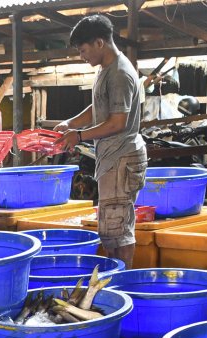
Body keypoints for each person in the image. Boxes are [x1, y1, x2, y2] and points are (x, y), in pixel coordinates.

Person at [56, 14, 146, 267]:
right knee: (111, 229)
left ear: (99, 43)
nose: (82, 56)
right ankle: (114, 275)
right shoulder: (105, 69)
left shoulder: (119, 73)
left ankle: (120, 280)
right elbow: (99, 108)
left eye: (83, 50)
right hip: (112, 159)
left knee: (119, 229)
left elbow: (117, 122)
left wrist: (79, 136)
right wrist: (71, 123)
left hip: (122, 158)